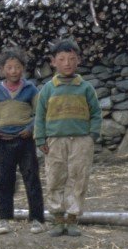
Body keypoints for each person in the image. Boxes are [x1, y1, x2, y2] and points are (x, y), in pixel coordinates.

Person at [34, 39, 102, 237]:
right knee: (55, 177)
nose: (67, 63)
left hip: (81, 141)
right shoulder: (48, 89)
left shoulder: (86, 88)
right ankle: (57, 218)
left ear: (78, 60)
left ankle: (72, 218)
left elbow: (96, 113)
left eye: (71, 59)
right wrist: (40, 139)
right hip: (55, 142)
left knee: (78, 178)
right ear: (53, 62)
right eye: (62, 59)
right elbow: (40, 116)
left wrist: (92, 136)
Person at [0, 48, 45, 235]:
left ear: (23, 69)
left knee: (31, 178)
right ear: (3, 70)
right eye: (9, 67)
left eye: (17, 67)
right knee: (3, 180)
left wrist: (31, 128)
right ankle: (4, 219)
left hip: (25, 141)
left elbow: (41, 112)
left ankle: (37, 219)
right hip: (4, 142)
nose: (14, 71)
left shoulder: (30, 89)